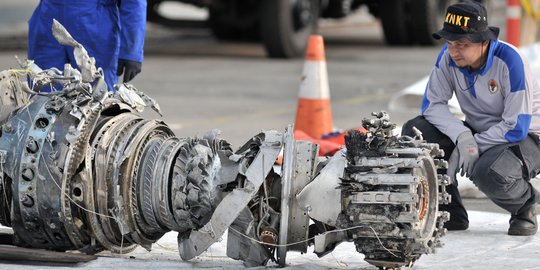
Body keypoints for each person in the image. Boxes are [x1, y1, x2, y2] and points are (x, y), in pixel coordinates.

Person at [402, 0, 540, 236]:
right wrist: (463, 136)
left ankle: (526, 205)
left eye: (462, 44)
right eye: (450, 42)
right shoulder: (448, 57)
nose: (453, 51)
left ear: (484, 42)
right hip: (480, 131)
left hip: (526, 137)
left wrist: (473, 147)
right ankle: (449, 211)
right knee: (416, 131)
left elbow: (516, 126)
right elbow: (432, 106)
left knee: (489, 172)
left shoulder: (510, 61)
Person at [27, 0, 146, 91]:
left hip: (94, 28)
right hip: (47, 23)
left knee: (94, 102)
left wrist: (131, 51)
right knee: (43, 96)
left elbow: (134, 3)